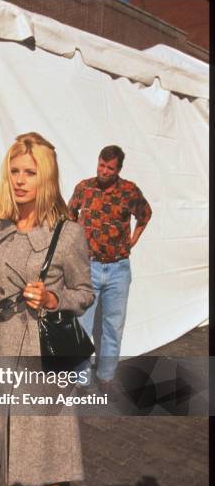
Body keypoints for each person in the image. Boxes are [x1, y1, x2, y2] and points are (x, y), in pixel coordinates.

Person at [0, 132, 94, 486]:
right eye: (15, 170)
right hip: (3, 352)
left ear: (46, 178)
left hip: (45, 357)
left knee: (43, 452)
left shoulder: (68, 234)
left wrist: (54, 299)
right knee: (7, 443)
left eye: (31, 172)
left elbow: (85, 293)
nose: (21, 180)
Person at [67, 145, 152, 388]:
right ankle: (80, 378)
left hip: (118, 270)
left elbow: (145, 215)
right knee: (82, 325)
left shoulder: (129, 191)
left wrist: (132, 240)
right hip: (88, 267)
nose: (104, 171)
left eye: (110, 168)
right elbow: (69, 218)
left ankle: (106, 375)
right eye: (101, 165)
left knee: (113, 325)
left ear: (118, 169)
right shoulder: (84, 188)